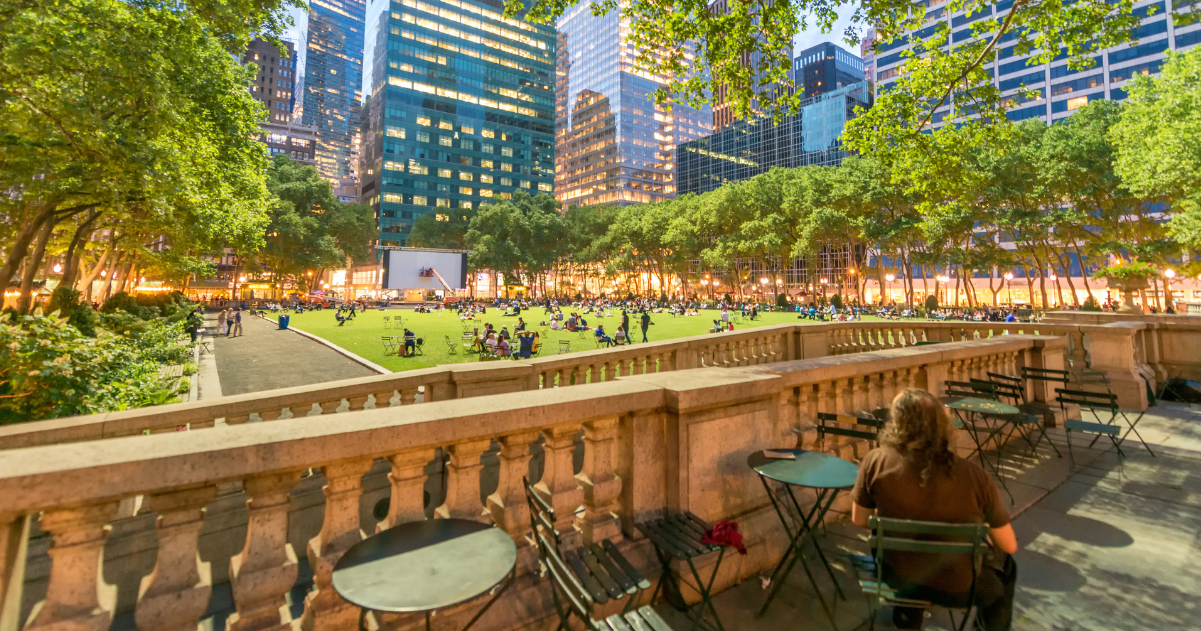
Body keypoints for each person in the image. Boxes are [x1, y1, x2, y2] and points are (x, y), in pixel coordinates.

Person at [851, 389, 1017, 631]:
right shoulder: (974, 476)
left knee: (908, 553)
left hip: (896, 577)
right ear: (941, 424)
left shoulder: (875, 462)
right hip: (959, 588)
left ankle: (908, 619)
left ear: (898, 424)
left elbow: (859, 519)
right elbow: (1009, 545)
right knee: (1007, 568)